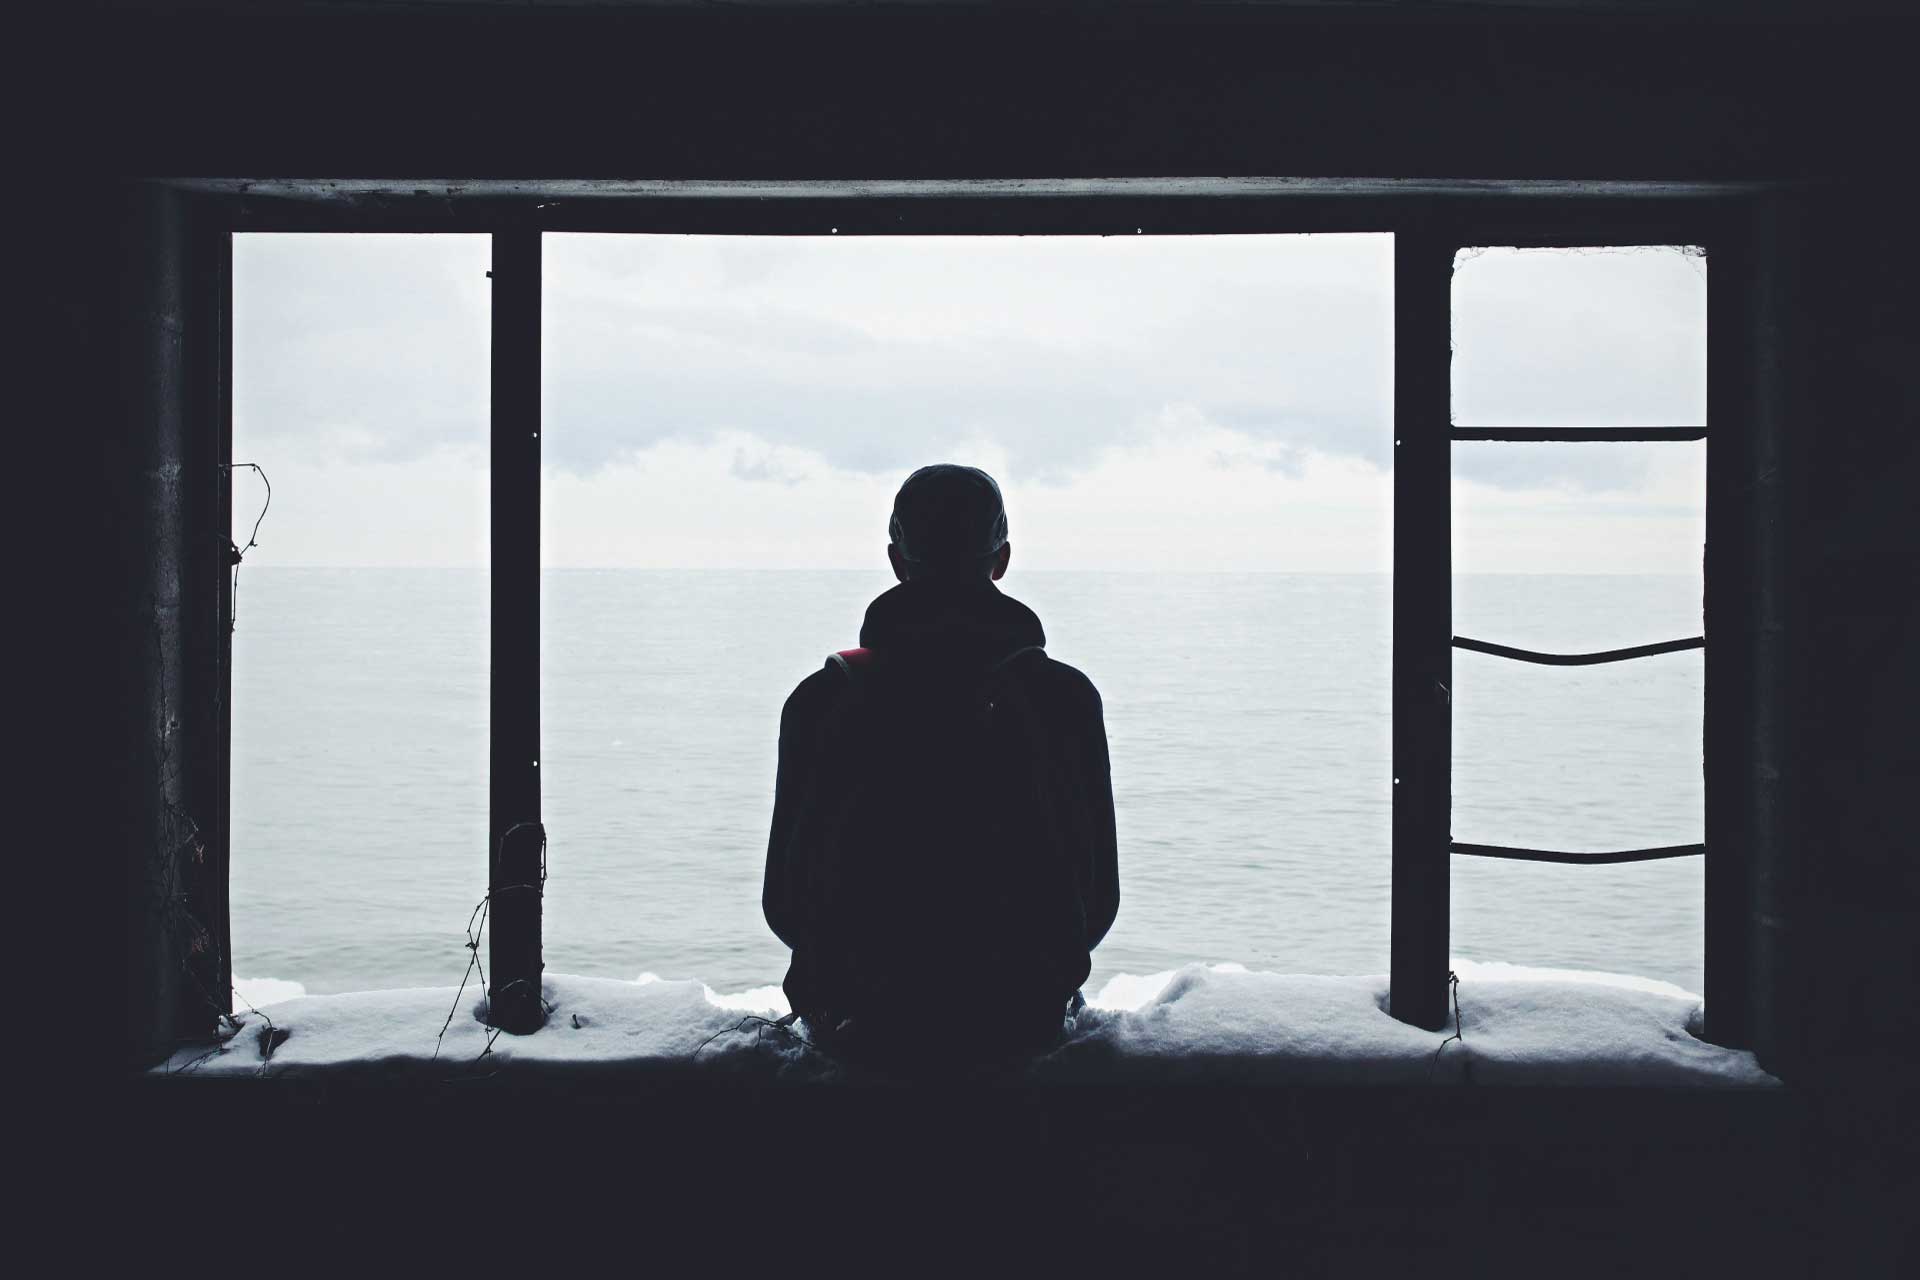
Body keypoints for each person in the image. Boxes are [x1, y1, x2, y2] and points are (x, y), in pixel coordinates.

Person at [762, 464, 1119, 1072]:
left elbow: (786, 903)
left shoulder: (824, 698)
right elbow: (1097, 900)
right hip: (1017, 1018)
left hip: (860, 1021)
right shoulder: (1064, 698)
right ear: (1001, 559)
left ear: (898, 560)